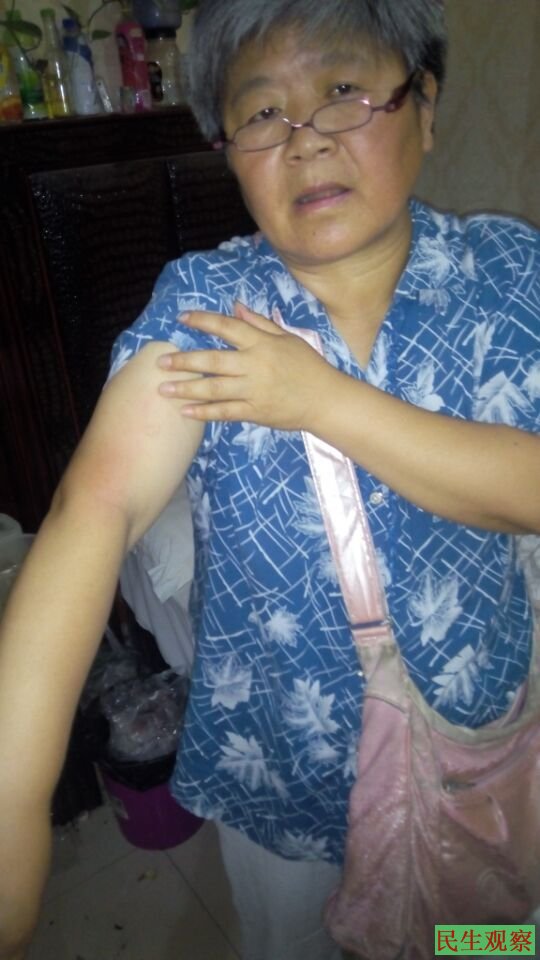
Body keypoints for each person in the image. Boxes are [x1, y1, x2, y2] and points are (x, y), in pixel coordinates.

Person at [0, 0, 539, 958]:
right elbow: (98, 505)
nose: (304, 140)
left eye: (344, 91)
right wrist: (11, 794)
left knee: (481, 944)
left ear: (424, 108)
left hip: (475, 750)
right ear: (228, 149)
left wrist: (319, 399)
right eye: (261, 113)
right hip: (280, 770)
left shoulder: (510, 274)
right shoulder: (208, 304)